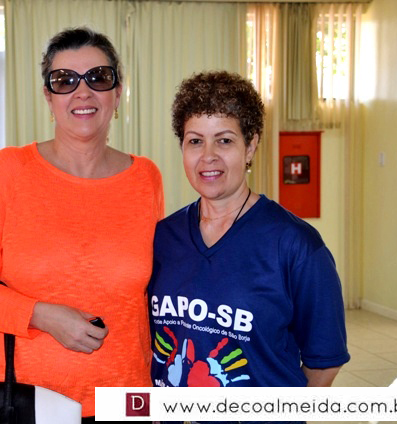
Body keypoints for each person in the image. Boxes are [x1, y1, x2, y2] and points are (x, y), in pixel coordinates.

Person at [0, 27, 164, 421]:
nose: (83, 92)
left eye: (98, 77)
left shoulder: (145, 178)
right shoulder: (11, 169)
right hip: (23, 400)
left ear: (118, 93)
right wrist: (41, 315)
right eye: (64, 80)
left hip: (126, 399)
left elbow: (156, 291)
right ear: (48, 97)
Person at [149, 71, 349, 398]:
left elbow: (325, 362)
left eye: (224, 140)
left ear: (251, 146)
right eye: (195, 141)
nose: (208, 156)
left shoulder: (296, 245)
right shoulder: (163, 238)